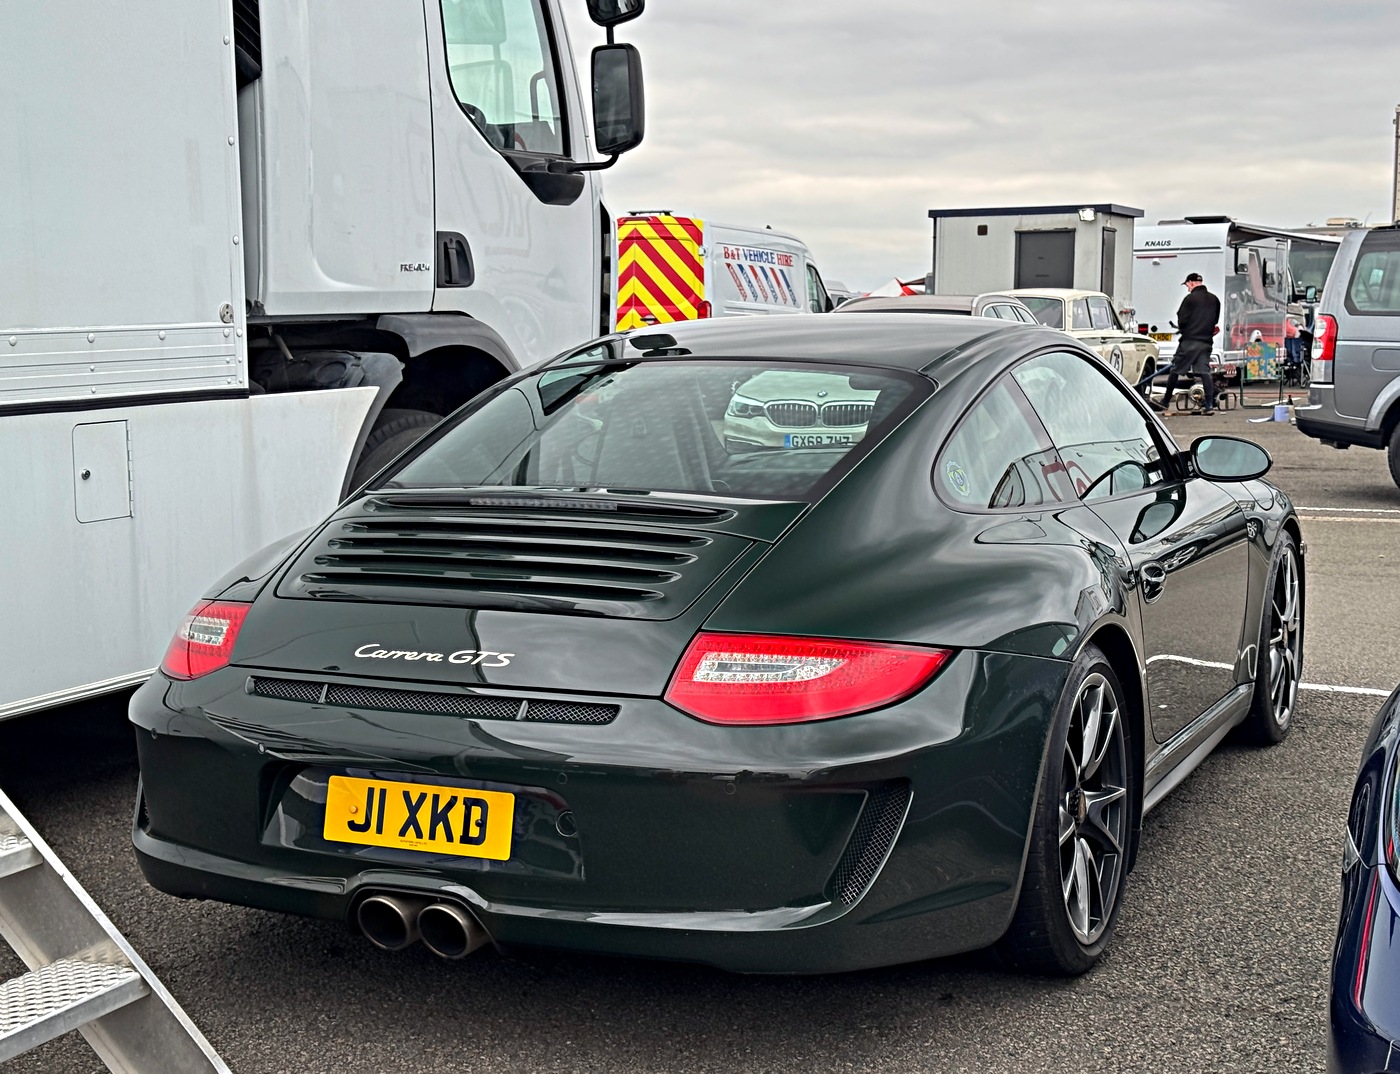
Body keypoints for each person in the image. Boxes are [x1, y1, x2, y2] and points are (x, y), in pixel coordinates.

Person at [1157, 272, 1221, 417]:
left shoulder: (1189, 299)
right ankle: (1209, 405)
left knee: (1175, 370)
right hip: (1206, 342)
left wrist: (1186, 328)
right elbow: (1215, 320)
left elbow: (1182, 320)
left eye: (1187, 285)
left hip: (1189, 341)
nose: (1187, 288)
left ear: (1191, 283)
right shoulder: (1215, 299)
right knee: (1205, 372)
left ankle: (1166, 401)